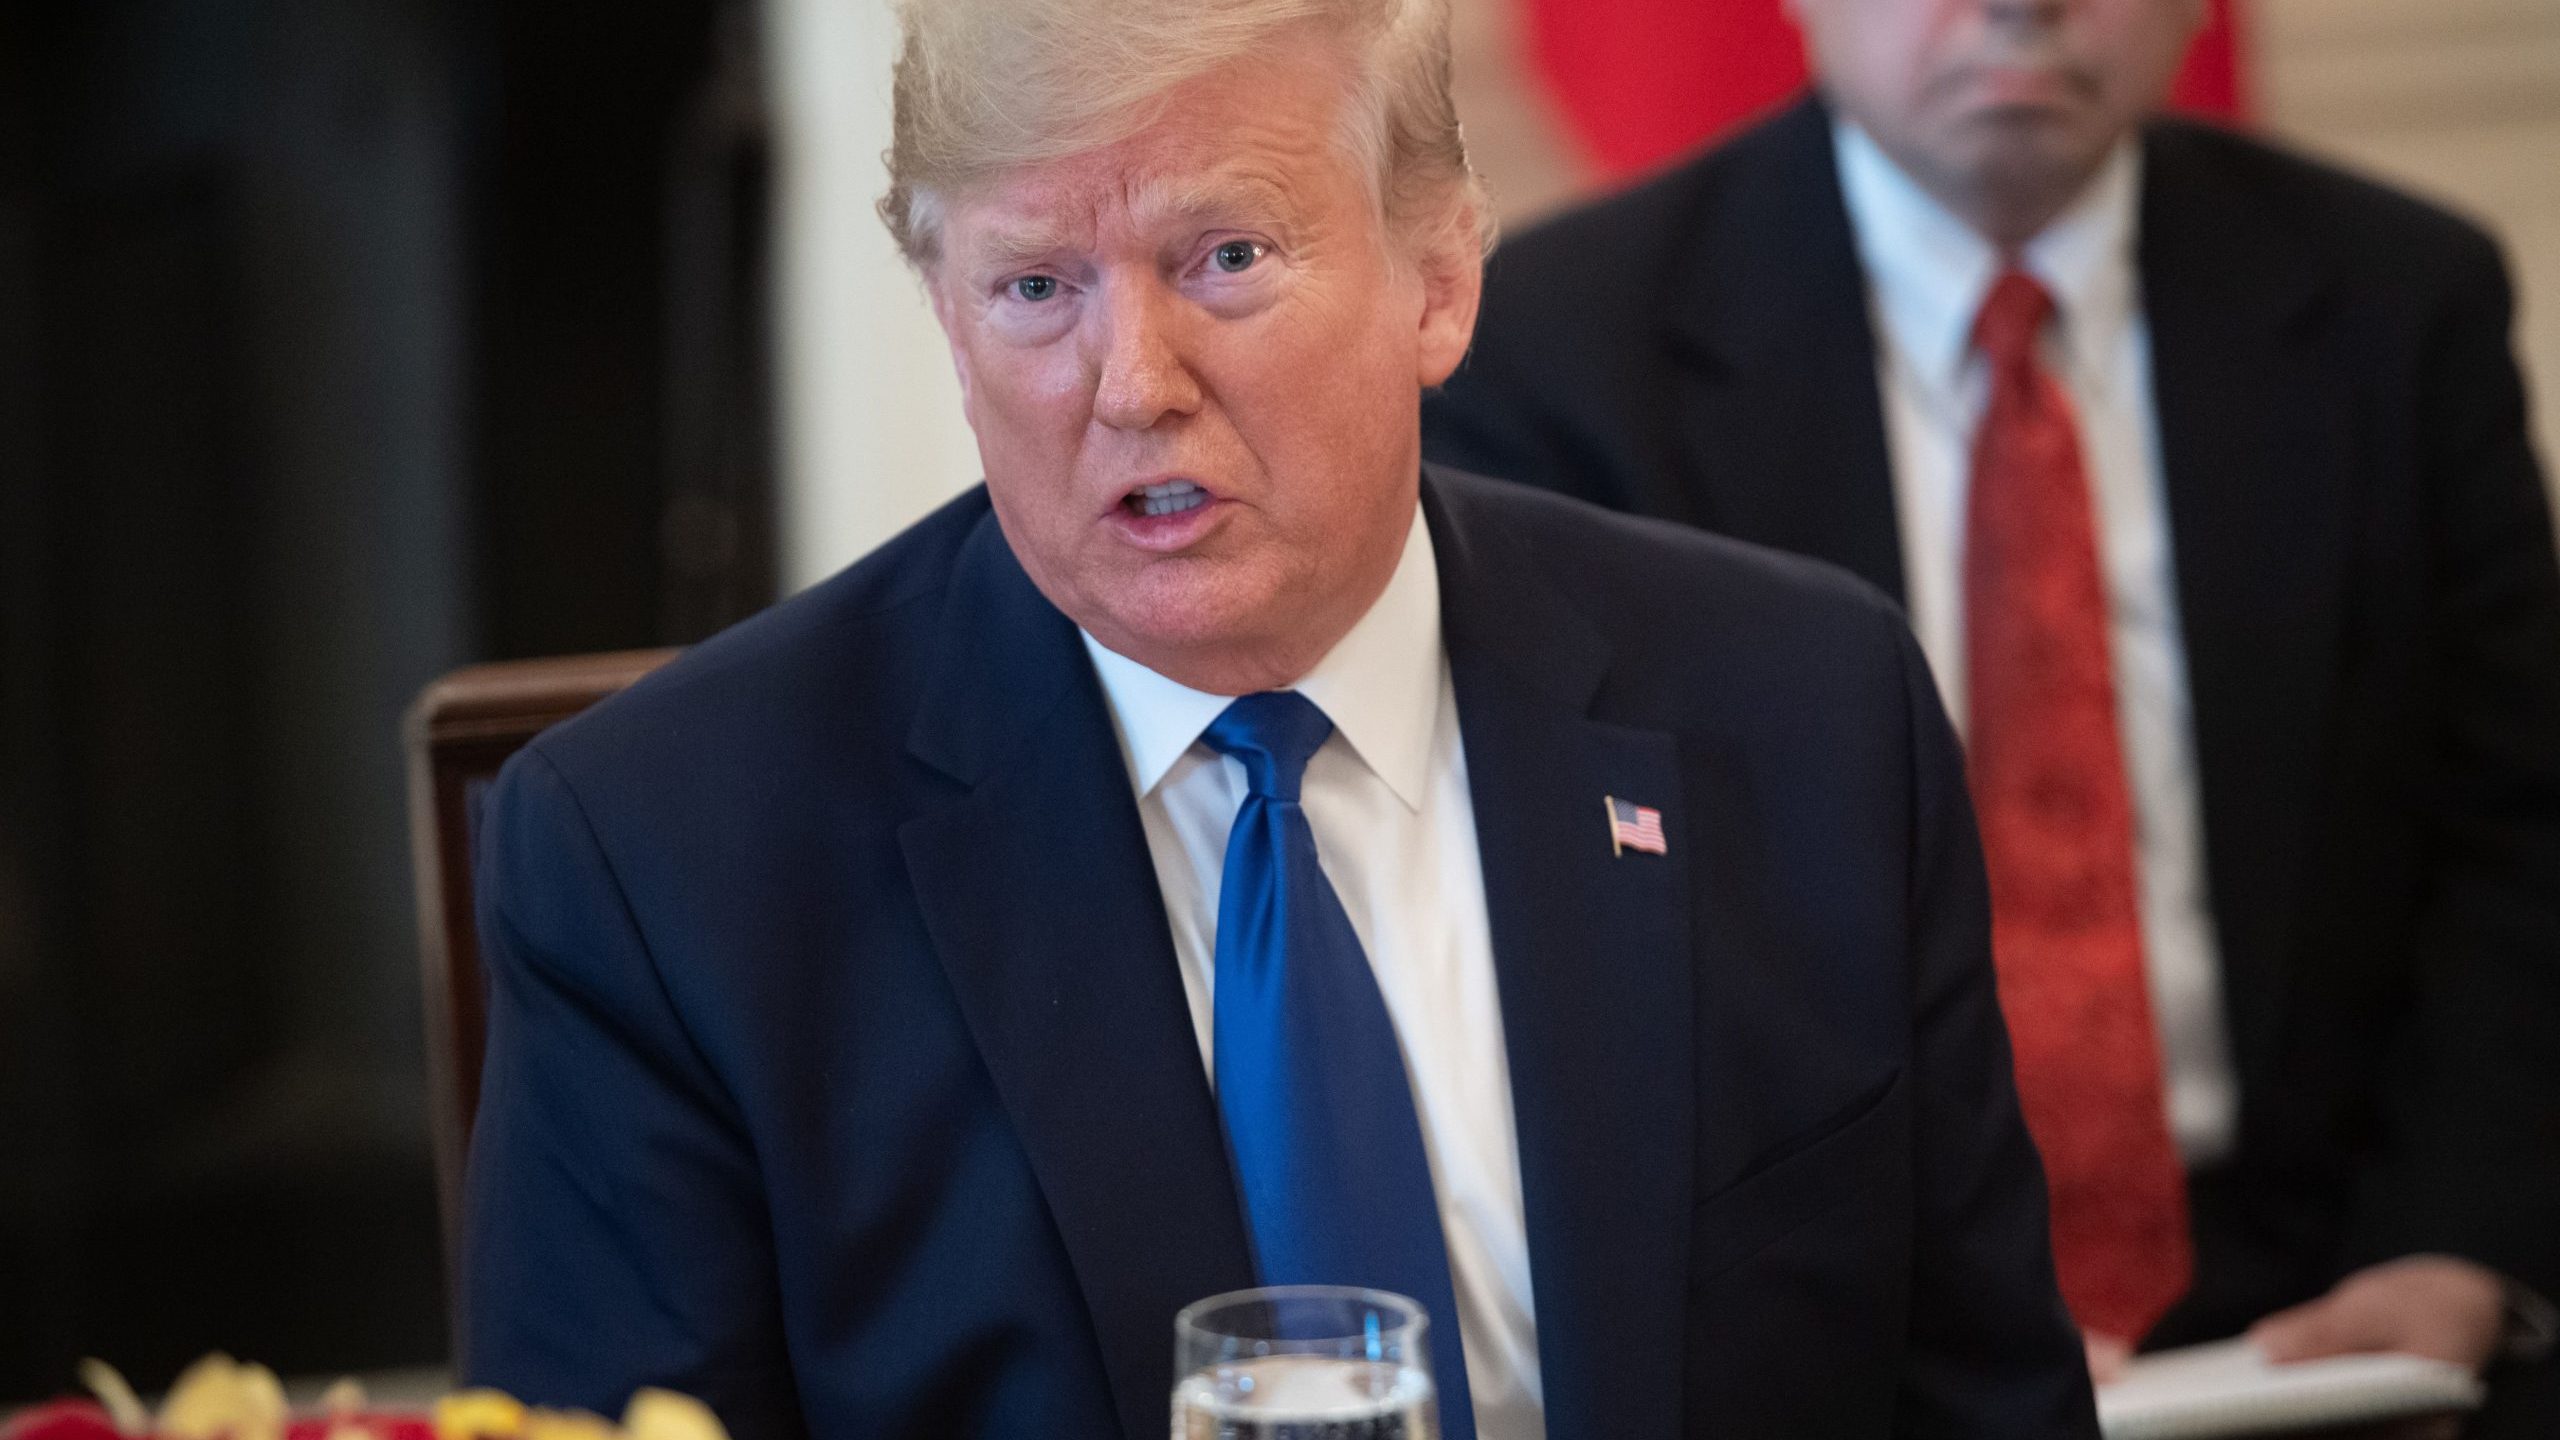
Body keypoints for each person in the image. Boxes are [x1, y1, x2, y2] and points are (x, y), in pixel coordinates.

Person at [458, 1, 2099, 1437]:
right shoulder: (665, 867)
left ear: (1440, 282)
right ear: (949, 325)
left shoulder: (1800, 716)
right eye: (1035, 287)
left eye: (1223, 258)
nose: (1131, 382)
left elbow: (1979, 1404)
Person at [1423, 0, 2560, 1430]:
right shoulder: (1560, 351)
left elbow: (2513, 831)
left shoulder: (2404, 302)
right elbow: (1569, 946)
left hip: (2328, 1290)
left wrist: (2457, 1242)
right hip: (1839, 1308)